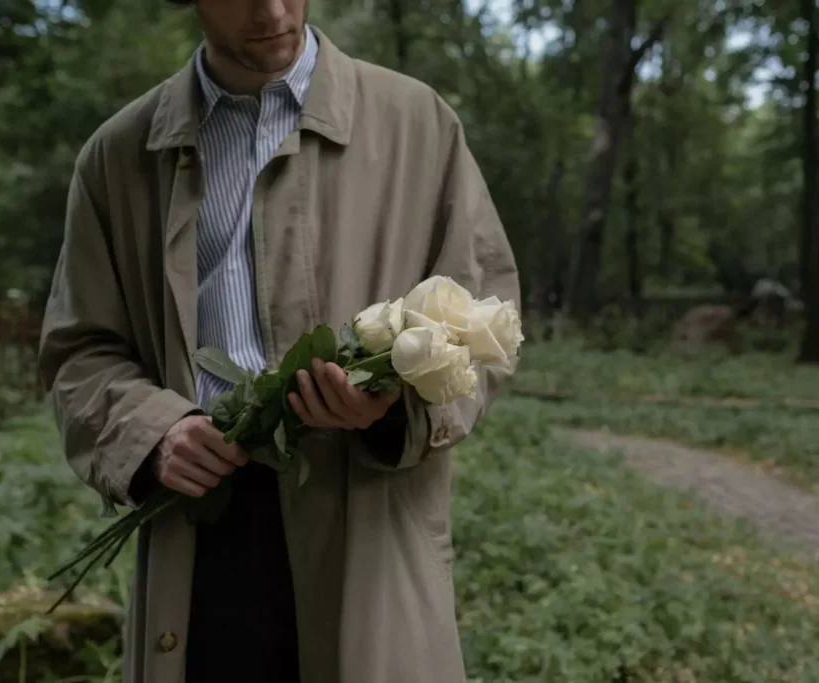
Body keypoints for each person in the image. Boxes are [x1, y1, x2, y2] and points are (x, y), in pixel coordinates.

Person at [38, 1, 520, 682]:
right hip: (199, 532)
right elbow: (79, 349)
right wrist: (152, 431)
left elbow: (485, 319)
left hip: (366, 528)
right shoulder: (119, 156)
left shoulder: (419, 124)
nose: (272, 9)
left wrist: (391, 406)